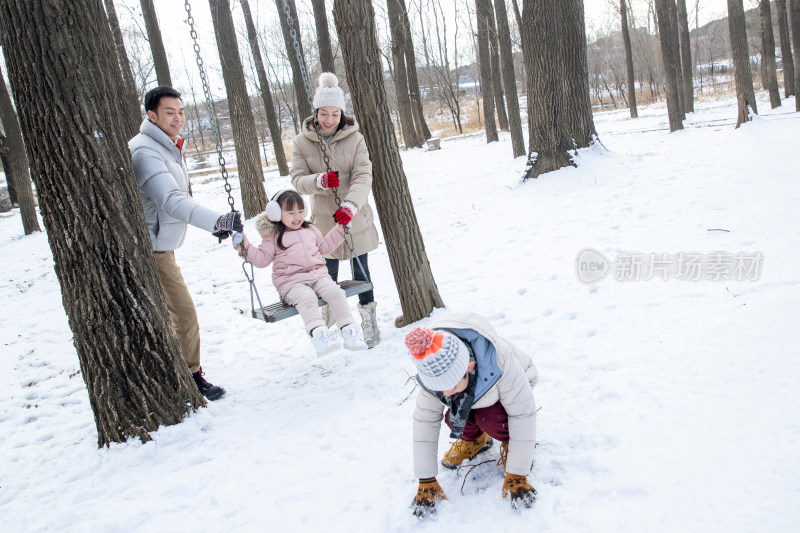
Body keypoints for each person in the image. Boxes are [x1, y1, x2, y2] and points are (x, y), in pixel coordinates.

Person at [129, 86, 242, 401]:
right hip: (152, 251)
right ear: (151, 115)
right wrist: (216, 221)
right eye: (169, 112)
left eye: (180, 112)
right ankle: (191, 377)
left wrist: (212, 226)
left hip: (162, 248)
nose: (178, 118)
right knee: (184, 315)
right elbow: (170, 200)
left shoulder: (165, 147)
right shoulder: (145, 151)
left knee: (173, 315)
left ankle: (178, 374)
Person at [406, 313, 538, 517]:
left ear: (469, 367)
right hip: (477, 396)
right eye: (441, 390)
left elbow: (522, 413)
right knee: (453, 415)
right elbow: (425, 421)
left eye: (451, 387)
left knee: (489, 417)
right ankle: (475, 441)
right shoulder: (435, 374)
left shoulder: (499, 360)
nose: (446, 394)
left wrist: (517, 472)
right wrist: (426, 478)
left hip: (511, 392)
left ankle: (510, 443)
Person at [290, 72, 381, 348]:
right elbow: (296, 179)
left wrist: (352, 205)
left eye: (335, 113)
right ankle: (327, 318)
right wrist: (317, 181)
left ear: (342, 113)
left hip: (354, 218)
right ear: (315, 113)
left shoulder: (356, 139)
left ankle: (368, 318)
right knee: (325, 275)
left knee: (361, 271)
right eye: (323, 113)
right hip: (324, 221)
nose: (329, 120)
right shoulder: (301, 142)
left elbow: (363, 175)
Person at [233, 189, 368, 355]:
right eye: (290, 213)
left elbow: (325, 247)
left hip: (318, 276)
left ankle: (350, 333)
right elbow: (262, 259)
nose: (297, 217)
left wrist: (340, 229)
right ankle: (320, 337)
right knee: (307, 298)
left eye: (300, 211)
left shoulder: (310, 228)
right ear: (276, 213)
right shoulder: (272, 235)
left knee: (336, 292)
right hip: (291, 283)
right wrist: (242, 244)